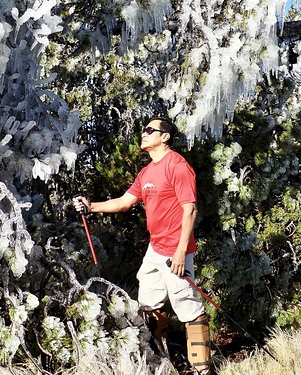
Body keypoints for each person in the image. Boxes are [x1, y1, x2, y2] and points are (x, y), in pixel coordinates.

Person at [73, 116, 212, 375]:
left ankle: (203, 369)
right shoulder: (147, 172)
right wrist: (92, 207)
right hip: (155, 249)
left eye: (150, 130)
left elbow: (190, 210)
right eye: (143, 130)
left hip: (175, 250)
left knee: (187, 306)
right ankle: (163, 363)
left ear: (165, 137)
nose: (144, 134)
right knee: (148, 304)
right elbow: (125, 202)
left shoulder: (177, 166)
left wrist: (181, 251)